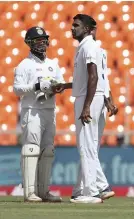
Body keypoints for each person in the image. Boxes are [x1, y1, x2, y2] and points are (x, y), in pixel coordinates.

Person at [14, 26, 65, 202]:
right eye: (38, 41)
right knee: (31, 148)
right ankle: (30, 193)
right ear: (29, 43)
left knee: (48, 150)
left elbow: (61, 84)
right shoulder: (24, 65)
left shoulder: (53, 64)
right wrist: (36, 86)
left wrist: (56, 88)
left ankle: (44, 191)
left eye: (44, 40)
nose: (42, 44)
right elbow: (16, 89)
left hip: (49, 109)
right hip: (32, 110)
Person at [70, 22, 117, 202]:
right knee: (90, 145)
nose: (72, 28)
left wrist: (87, 105)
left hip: (89, 97)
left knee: (86, 145)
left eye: (76, 25)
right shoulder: (97, 49)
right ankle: (80, 188)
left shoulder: (89, 47)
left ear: (89, 29)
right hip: (98, 96)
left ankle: (96, 188)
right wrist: (108, 98)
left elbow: (94, 76)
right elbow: (103, 77)